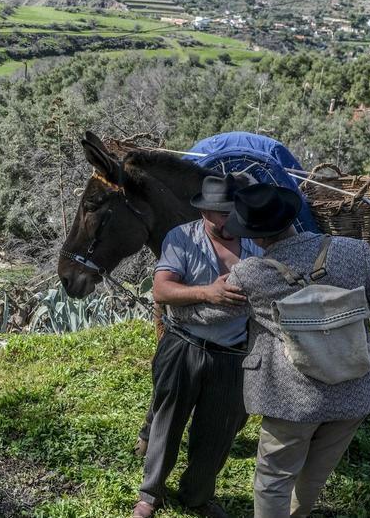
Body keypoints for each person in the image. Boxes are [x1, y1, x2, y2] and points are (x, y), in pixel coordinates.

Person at [226, 184, 370, 518]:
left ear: (255, 236)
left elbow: (211, 315)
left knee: (274, 478)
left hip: (291, 398)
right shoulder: (354, 251)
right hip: (355, 387)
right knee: (316, 472)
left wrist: (181, 299)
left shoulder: (249, 274)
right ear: (291, 219)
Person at [132, 173, 261, 518]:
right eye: (223, 214)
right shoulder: (182, 238)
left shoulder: (255, 243)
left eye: (235, 212)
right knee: (167, 422)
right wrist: (208, 292)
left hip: (232, 353)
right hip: (183, 345)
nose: (230, 220)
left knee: (218, 432)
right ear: (204, 212)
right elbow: (161, 290)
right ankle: (150, 495)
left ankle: (197, 495)